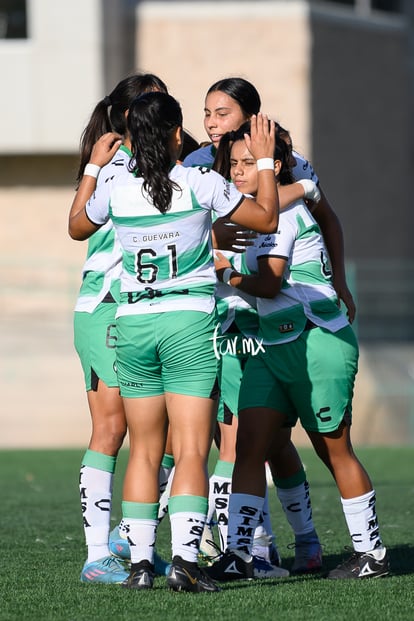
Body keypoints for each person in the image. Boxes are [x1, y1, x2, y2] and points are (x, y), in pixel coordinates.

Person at [68, 92, 280, 592]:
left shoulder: (117, 190)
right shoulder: (199, 181)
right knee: (188, 450)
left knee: (142, 449)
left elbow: (78, 226)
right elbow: (266, 218)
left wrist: (94, 170)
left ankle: (141, 563)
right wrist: (267, 161)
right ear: (176, 135)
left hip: (134, 324)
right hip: (187, 323)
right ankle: (185, 560)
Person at [206, 121, 389, 582]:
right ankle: (242, 554)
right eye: (234, 165)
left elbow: (267, 284)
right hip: (272, 342)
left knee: (334, 450)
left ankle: (372, 554)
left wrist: (225, 273)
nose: (240, 173)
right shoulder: (256, 207)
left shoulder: (280, 209)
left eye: (250, 163)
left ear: (274, 163)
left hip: (316, 340)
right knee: (249, 446)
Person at [183, 77, 327, 574]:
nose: (210, 122)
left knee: (268, 441)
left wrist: (299, 188)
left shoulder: (287, 161)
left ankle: (292, 541)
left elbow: (316, 212)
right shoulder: (199, 165)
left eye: (221, 113)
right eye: (207, 113)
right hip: (225, 316)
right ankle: (253, 545)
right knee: (244, 439)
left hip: (270, 317)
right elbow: (209, 222)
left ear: (250, 117)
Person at [73, 73, 175, 585]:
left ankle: (129, 539)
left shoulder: (169, 159)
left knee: (176, 431)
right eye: (155, 97)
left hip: (151, 310)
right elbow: (78, 227)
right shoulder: (114, 164)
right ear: (133, 112)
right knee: (114, 429)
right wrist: (94, 165)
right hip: (108, 306)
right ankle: (98, 555)